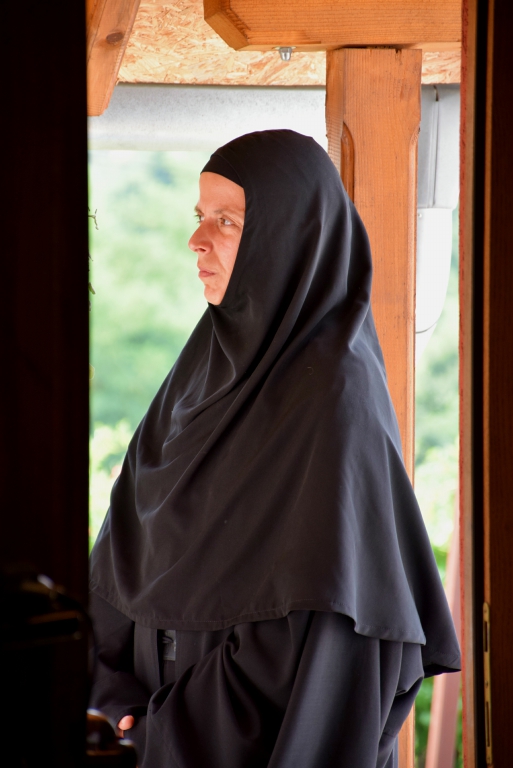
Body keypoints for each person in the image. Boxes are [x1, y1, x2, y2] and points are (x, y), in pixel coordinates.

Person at [89, 130, 460, 768]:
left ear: (288, 238)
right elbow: (119, 562)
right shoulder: (201, 372)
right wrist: (111, 703)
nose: (196, 239)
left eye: (226, 221)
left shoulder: (333, 405)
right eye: (199, 216)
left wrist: (156, 735)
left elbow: (314, 650)